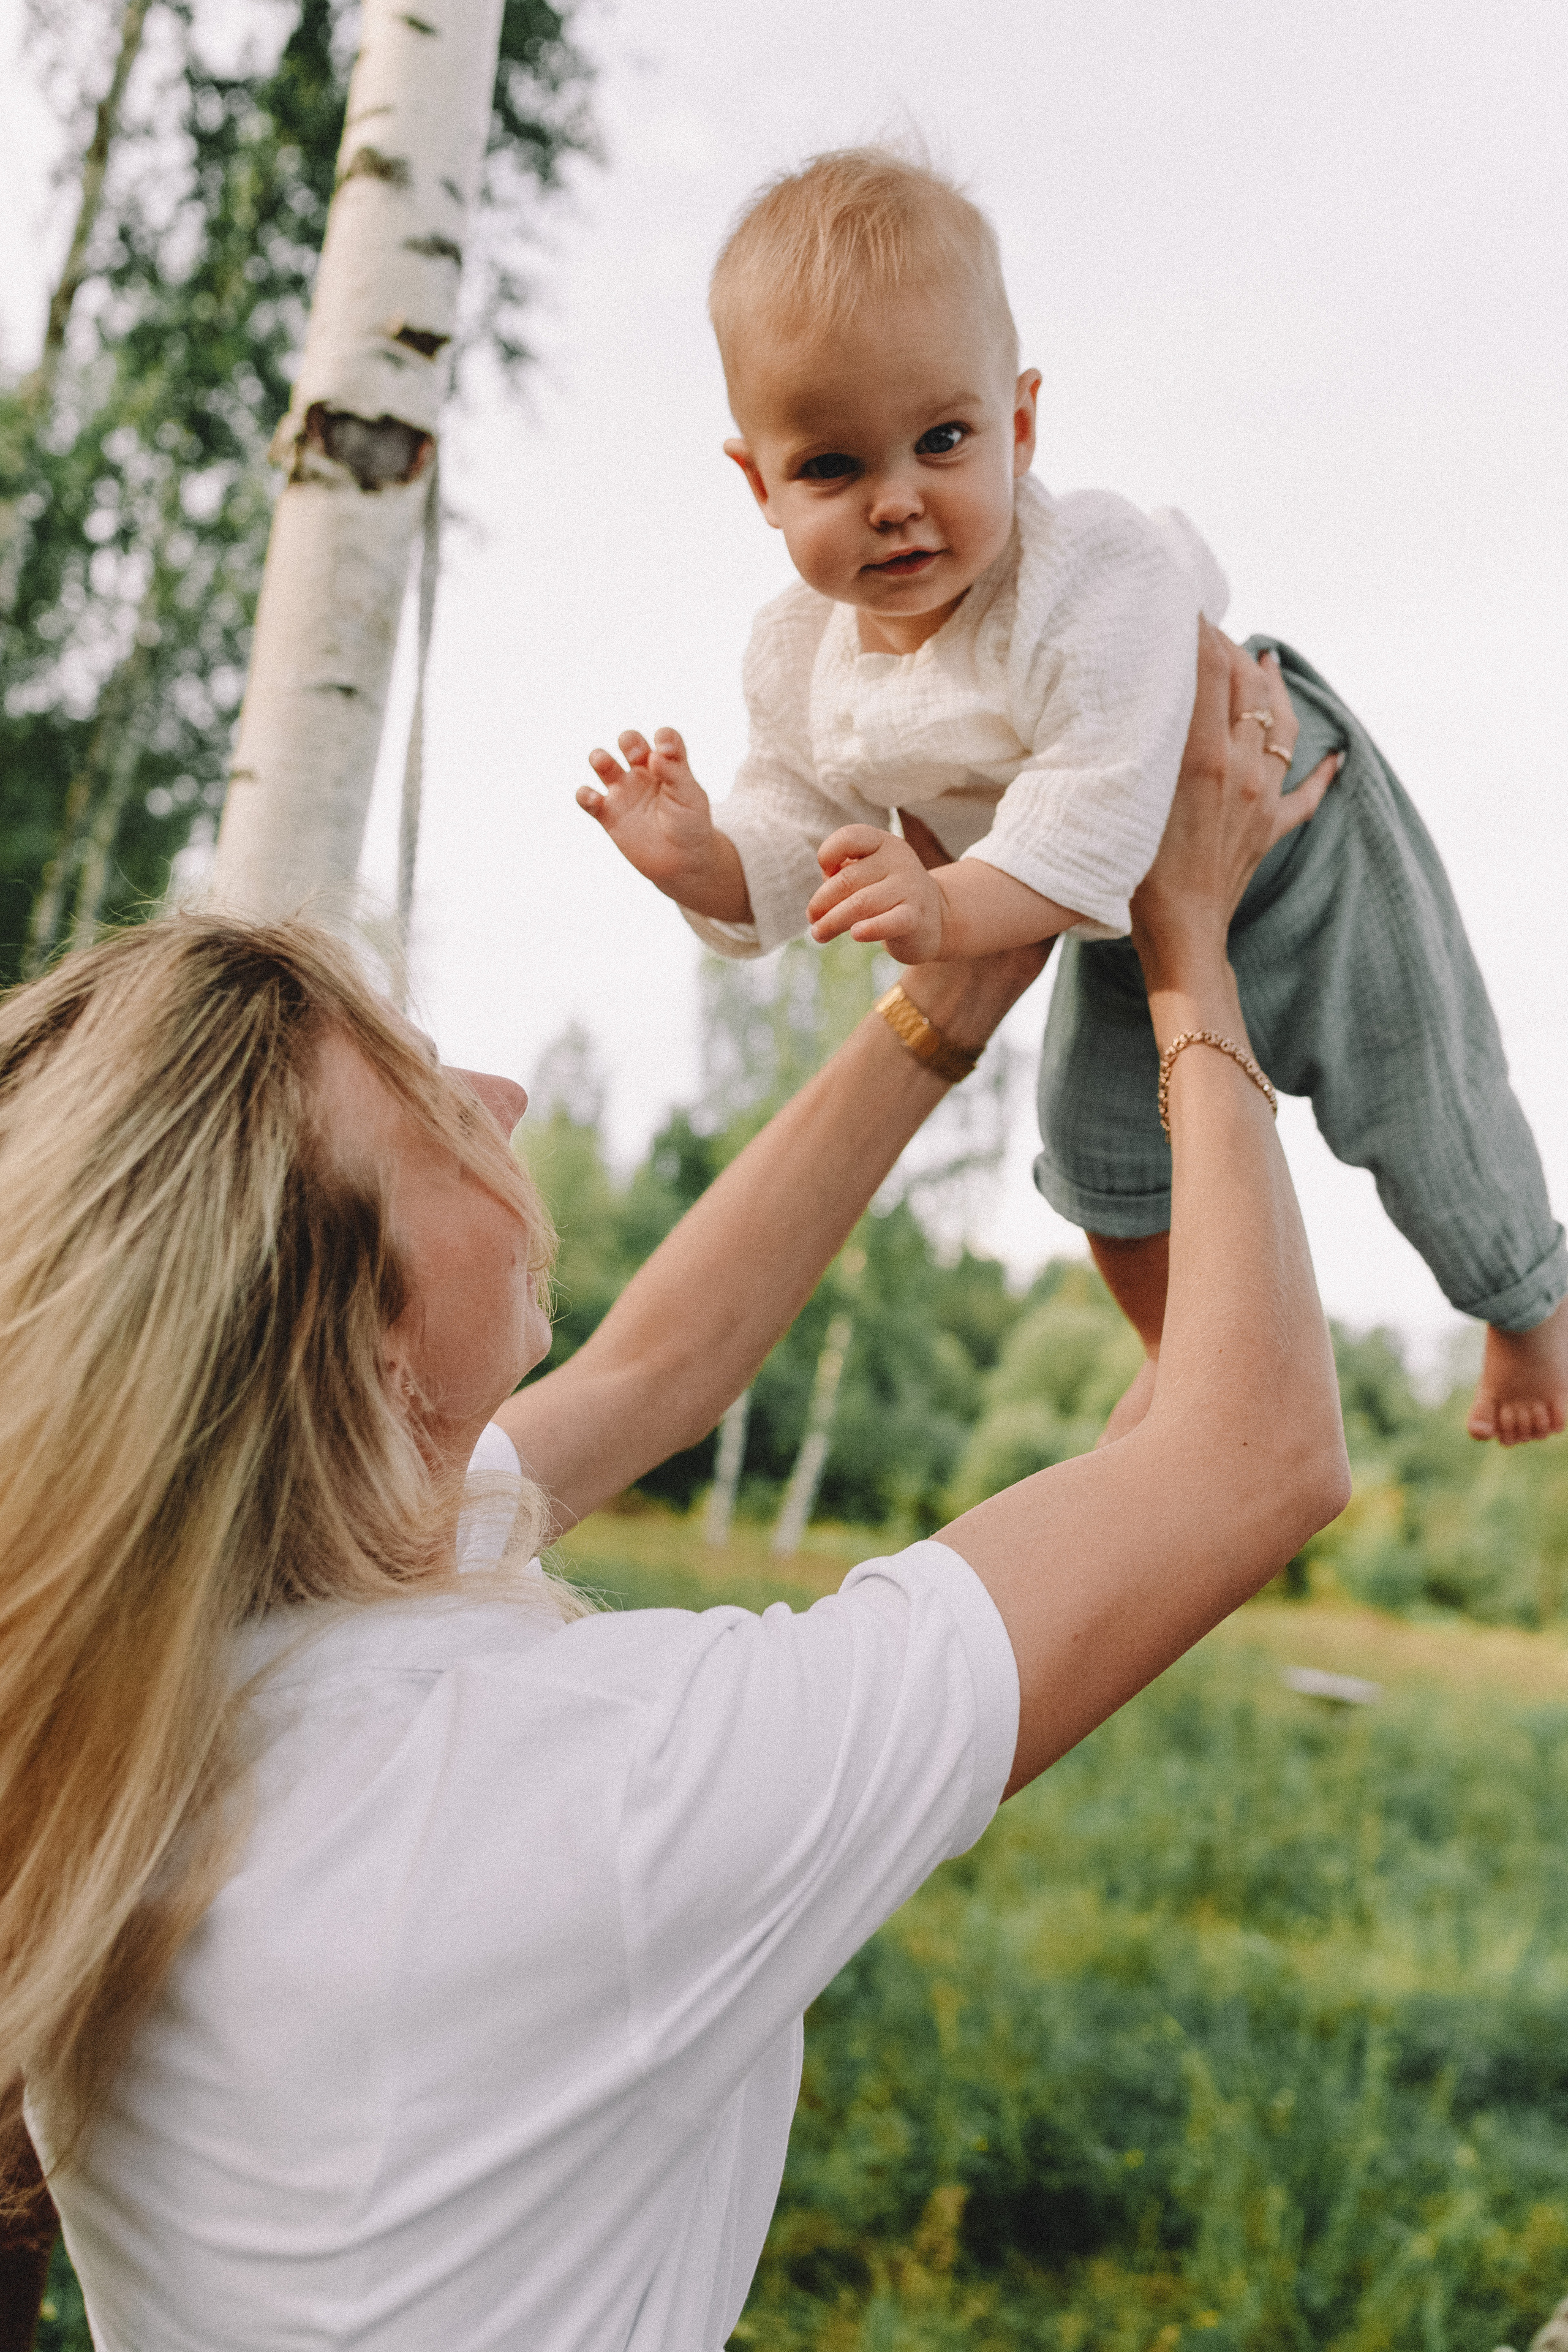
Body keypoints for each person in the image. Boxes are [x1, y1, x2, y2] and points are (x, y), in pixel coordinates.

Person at [0, 631, 1348, 2350]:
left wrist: (960, 982)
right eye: (428, 1103)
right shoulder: (579, 1800)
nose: (500, 1091)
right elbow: (1256, 1454)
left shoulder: (212, 1631)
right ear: (368, 1351)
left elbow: (659, 1369)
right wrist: (1184, 929)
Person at [576, 146, 1567, 1449]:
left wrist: (933, 903)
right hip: (1098, 905)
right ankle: (1184, 1360)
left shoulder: (1083, 574)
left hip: (1281, 817)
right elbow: (793, 846)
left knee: (1408, 1078)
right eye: (830, 467)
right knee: (1097, 1157)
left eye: (942, 440)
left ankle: (1523, 1302)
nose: (896, 502)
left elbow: (1092, 816)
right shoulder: (795, 657)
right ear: (757, 484)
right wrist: (702, 858)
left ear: (1020, 425)